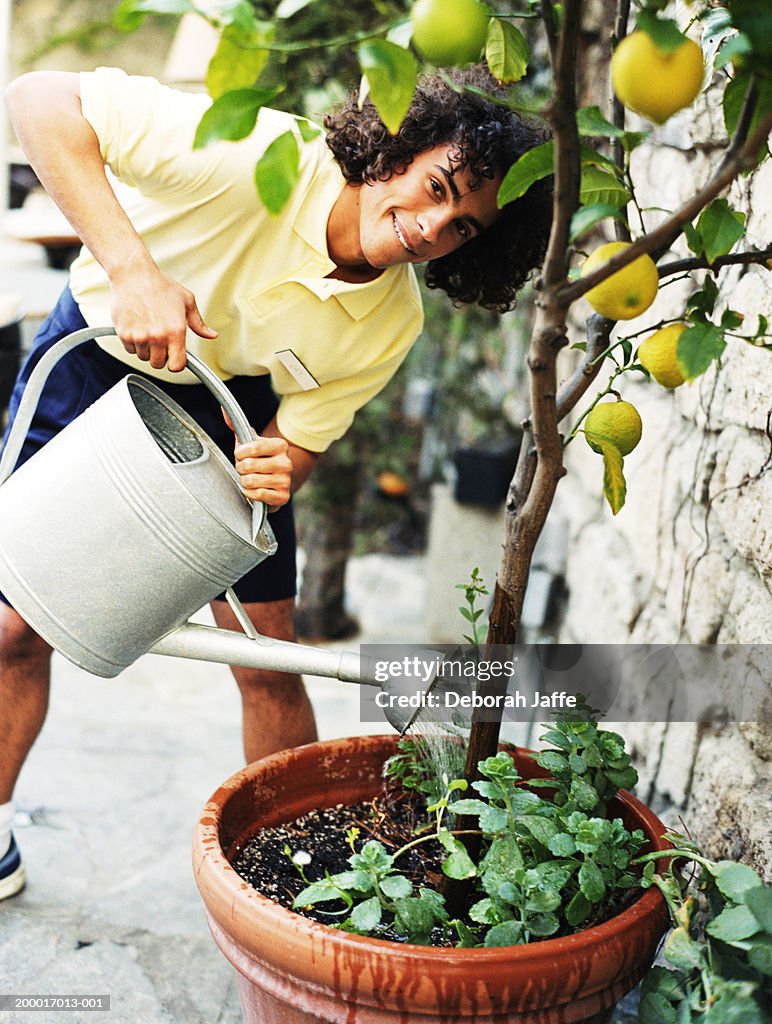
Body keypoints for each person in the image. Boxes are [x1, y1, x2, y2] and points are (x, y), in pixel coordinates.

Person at [0, 63, 552, 900]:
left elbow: (303, 438)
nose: (433, 226)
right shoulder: (257, 157)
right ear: (394, 151)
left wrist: (280, 464)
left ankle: (298, 881)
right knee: (12, 628)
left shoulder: (392, 319)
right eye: (438, 186)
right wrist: (132, 268)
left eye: (464, 228)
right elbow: (38, 99)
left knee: (266, 659)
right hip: (97, 356)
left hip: (233, 405)